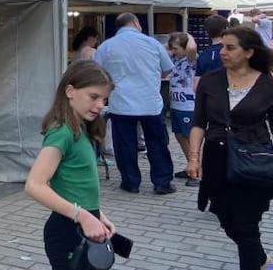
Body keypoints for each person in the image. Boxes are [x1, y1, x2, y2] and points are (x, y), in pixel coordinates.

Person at [26, 61, 119, 270]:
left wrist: (98, 215)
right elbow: (35, 185)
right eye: (94, 96)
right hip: (68, 235)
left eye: (104, 99)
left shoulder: (82, 129)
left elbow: (73, 185)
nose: (100, 105)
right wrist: (83, 216)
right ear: (70, 91)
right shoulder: (62, 131)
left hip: (89, 231)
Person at [188, 27, 273, 270]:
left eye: (230, 47)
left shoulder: (267, 84)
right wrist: (194, 157)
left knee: (246, 225)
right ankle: (260, 258)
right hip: (217, 158)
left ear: (249, 52)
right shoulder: (210, 81)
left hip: (253, 161)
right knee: (225, 218)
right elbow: (198, 122)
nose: (222, 52)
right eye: (222, 46)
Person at [94, 13, 176, 195]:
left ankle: (130, 182)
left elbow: (98, 74)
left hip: (121, 104)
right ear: (135, 23)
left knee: (125, 145)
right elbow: (167, 69)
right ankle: (162, 182)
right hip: (150, 103)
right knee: (157, 143)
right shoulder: (153, 43)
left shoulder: (106, 46)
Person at [167, 32, 199, 187]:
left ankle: (197, 171)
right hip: (176, 105)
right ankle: (190, 166)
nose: (173, 51)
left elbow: (192, 47)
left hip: (188, 106)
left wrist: (186, 35)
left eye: (176, 48)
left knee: (190, 138)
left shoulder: (192, 59)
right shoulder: (175, 59)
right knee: (179, 136)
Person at [195, 15, 229, 89]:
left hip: (208, 93)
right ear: (225, 29)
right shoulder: (230, 52)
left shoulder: (202, 56)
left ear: (207, 32)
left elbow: (196, 87)